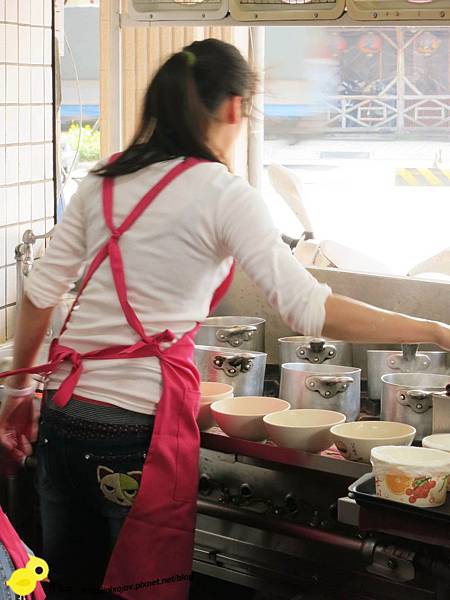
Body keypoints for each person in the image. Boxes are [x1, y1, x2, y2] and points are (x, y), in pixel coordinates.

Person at [0, 39, 449, 600]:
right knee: (137, 588)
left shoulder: (103, 181)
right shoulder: (224, 193)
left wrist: (20, 390)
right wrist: (436, 331)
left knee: (64, 583)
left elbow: (39, 293)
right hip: (136, 430)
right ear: (236, 108)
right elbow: (310, 308)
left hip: (64, 416)